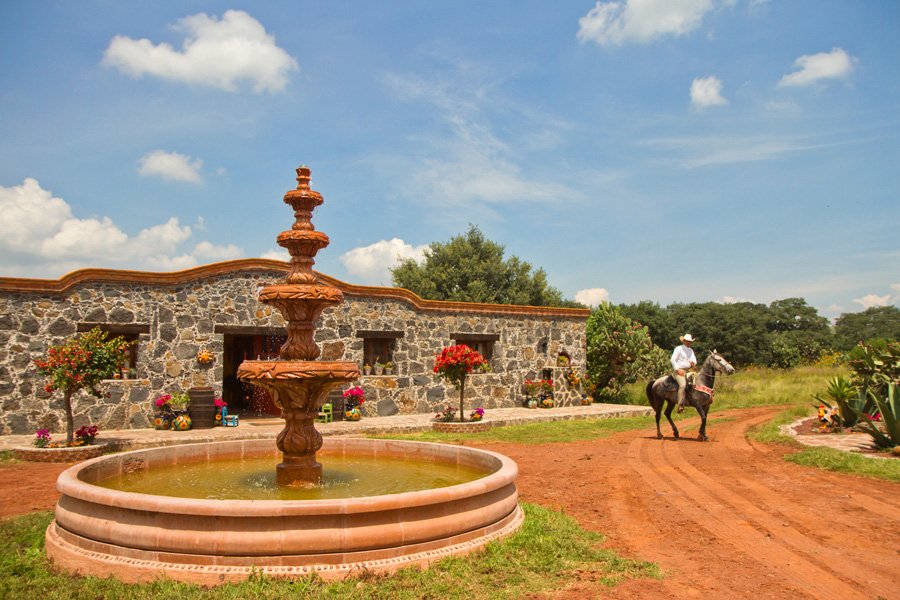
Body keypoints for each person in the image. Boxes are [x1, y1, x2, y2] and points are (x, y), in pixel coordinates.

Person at [671, 334, 697, 413]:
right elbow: (673, 359)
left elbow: (694, 360)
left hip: (688, 370)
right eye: (687, 341)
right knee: (682, 385)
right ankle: (680, 405)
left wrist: (693, 362)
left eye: (690, 342)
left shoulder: (690, 350)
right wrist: (677, 370)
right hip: (680, 370)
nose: (688, 343)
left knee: (697, 383)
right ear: (684, 341)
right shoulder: (678, 349)